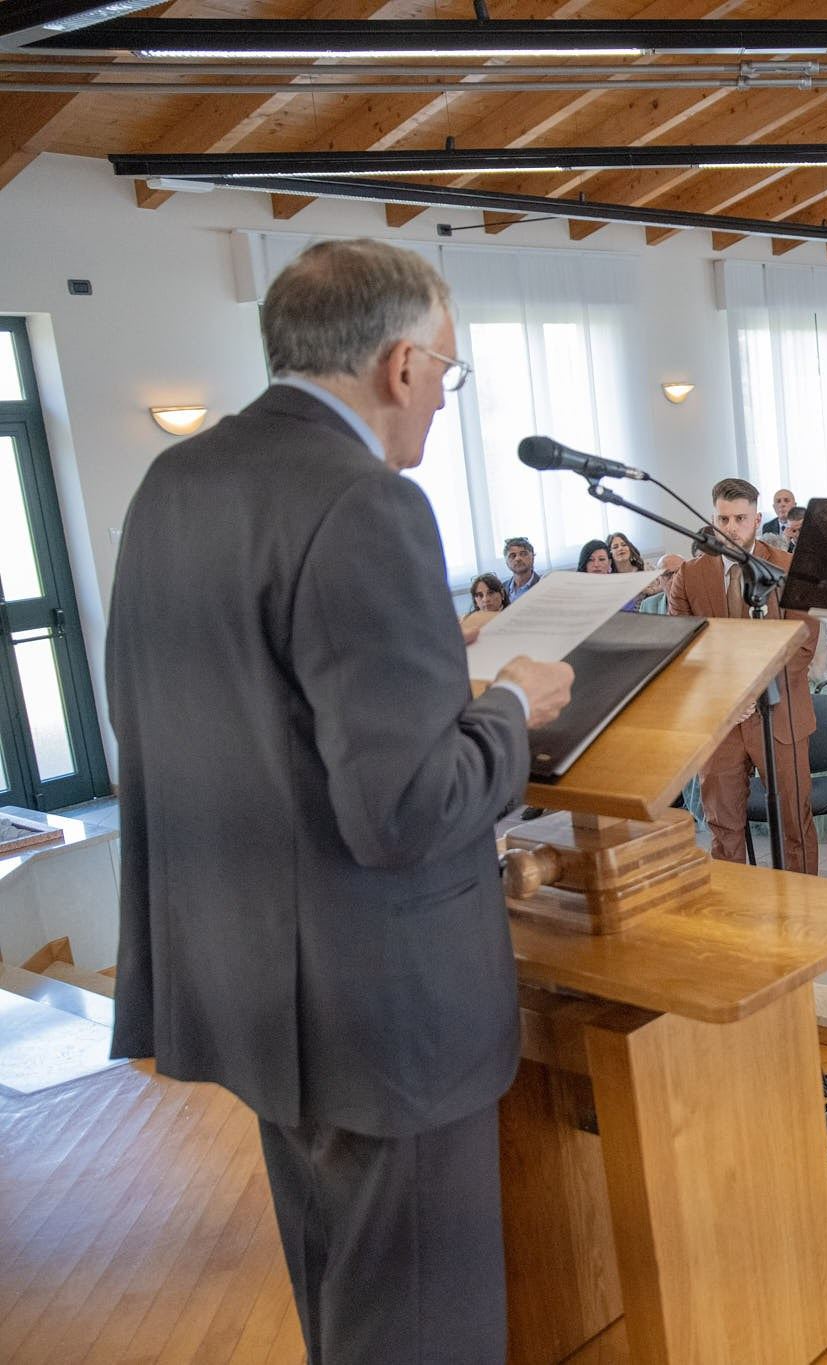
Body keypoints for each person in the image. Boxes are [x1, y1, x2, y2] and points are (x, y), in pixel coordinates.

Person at [107, 238, 575, 1365]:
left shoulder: (179, 479)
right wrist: (508, 703)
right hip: (381, 1005)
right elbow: (406, 808)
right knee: (418, 1324)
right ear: (401, 364)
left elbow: (178, 705)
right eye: (449, 376)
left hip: (255, 975)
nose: (441, 403)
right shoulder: (365, 503)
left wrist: (423, 673)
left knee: (343, 1300)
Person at [666, 477, 821, 874]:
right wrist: (725, 700)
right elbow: (683, 651)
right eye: (723, 518)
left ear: (758, 518)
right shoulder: (690, 575)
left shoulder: (789, 569)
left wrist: (755, 693)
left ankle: (805, 914)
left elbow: (802, 645)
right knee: (724, 828)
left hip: (780, 711)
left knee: (794, 823)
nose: (731, 527)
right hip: (721, 720)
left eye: (740, 518)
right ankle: (737, 918)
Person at [502, 535, 544, 601]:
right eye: (513, 556)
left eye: (523, 554)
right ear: (506, 562)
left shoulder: (543, 585)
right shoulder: (502, 589)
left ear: (533, 557)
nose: (518, 559)